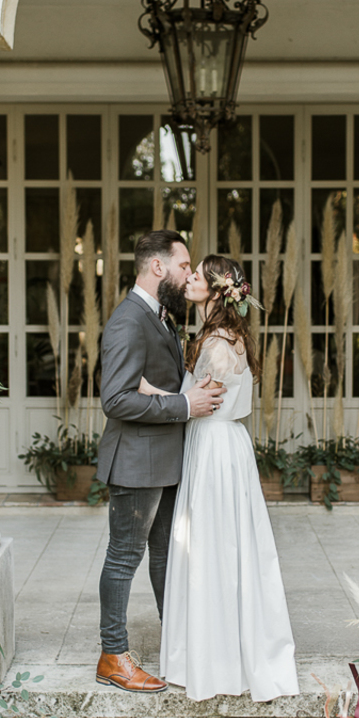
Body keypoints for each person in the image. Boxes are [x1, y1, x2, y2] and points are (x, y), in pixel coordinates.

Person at [152, 255, 299, 702]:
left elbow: (202, 400)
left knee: (213, 548)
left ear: (216, 291)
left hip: (214, 448)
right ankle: (218, 649)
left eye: (196, 275)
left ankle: (215, 659)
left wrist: (148, 391)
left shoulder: (216, 344)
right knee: (224, 547)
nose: (189, 279)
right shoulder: (221, 336)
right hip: (220, 445)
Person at [95, 230, 226, 693]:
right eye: (184, 265)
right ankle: (113, 655)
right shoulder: (129, 320)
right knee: (123, 558)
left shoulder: (161, 316)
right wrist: (185, 406)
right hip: (135, 462)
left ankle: (178, 644)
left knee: (167, 557)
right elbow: (116, 399)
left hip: (164, 461)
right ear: (157, 267)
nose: (190, 274)